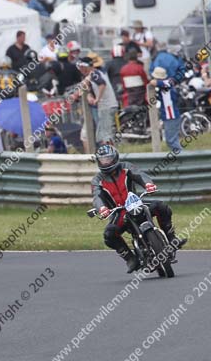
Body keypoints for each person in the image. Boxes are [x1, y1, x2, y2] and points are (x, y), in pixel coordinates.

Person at [91, 144, 185, 273]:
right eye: (103, 160)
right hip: (119, 212)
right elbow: (97, 196)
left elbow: (139, 174)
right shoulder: (97, 180)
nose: (106, 163)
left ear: (115, 158)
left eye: (108, 159)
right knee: (109, 234)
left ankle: (171, 238)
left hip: (135, 203)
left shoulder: (126, 167)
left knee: (161, 207)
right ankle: (130, 258)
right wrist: (101, 208)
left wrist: (148, 184)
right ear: (98, 161)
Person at [74, 57, 117, 146]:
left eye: (82, 67)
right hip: (107, 106)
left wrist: (97, 98)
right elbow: (85, 87)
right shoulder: (95, 74)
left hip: (106, 106)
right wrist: (89, 95)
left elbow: (102, 84)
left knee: (104, 135)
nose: (81, 70)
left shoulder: (94, 74)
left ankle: (110, 155)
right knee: (103, 134)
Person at [150, 67, 182, 152]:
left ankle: (182, 159)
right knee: (172, 140)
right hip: (170, 116)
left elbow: (153, 82)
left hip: (171, 116)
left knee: (171, 141)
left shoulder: (166, 83)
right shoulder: (165, 84)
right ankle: (180, 158)